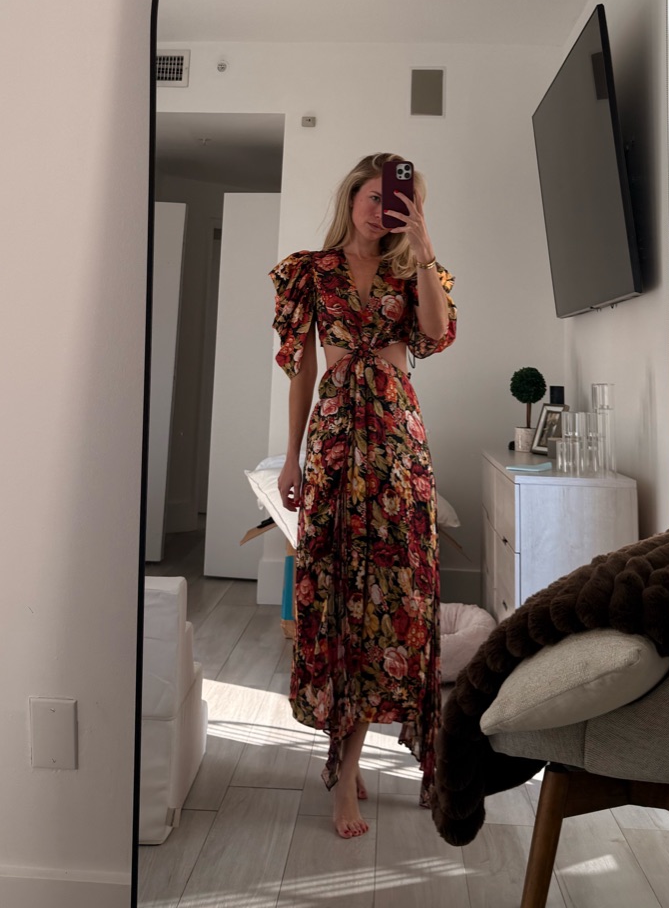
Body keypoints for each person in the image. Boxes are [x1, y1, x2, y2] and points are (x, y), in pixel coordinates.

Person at [269, 153, 457, 839]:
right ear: (351, 196)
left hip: (397, 444)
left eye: (397, 202)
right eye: (374, 197)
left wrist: (425, 247)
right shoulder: (309, 271)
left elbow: (435, 334)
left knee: (399, 596)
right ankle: (345, 770)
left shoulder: (416, 273)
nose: (383, 211)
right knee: (339, 595)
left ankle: (356, 759)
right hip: (335, 441)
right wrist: (291, 457)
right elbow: (301, 371)